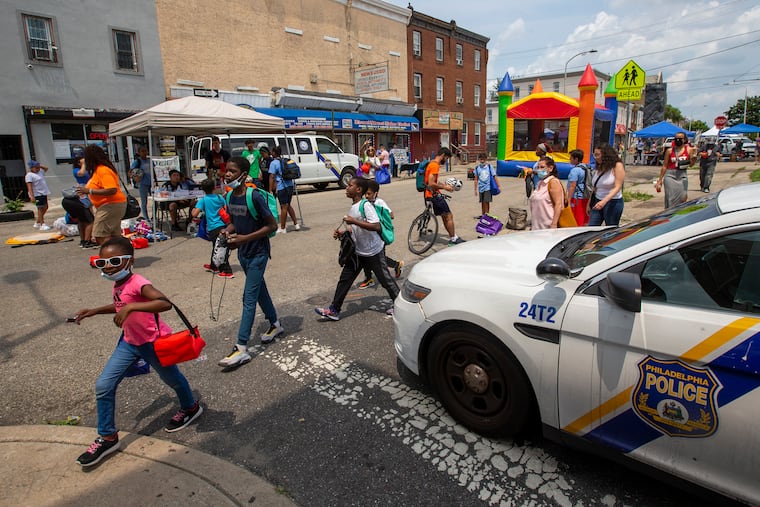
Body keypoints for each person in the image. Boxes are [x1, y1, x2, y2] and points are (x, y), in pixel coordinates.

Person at [72, 236, 202, 467]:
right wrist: (94, 311)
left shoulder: (138, 281)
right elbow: (122, 304)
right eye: (102, 263)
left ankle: (191, 407)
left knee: (172, 379)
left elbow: (164, 303)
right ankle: (108, 437)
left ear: (129, 260)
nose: (109, 266)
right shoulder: (119, 284)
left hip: (153, 342)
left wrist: (132, 306)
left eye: (114, 261)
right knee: (104, 385)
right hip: (129, 342)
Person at [217, 157, 284, 367]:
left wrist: (244, 239)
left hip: (258, 253)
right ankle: (275, 324)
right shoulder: (229, 197)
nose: (227, 175)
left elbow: (272, 225)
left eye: (232, 171)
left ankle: (241, 347)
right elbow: (236, 223)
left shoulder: (253, 196)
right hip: (243, 254)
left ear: (244, 175)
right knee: (259, 289)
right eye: (226, 171)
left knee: (248, 297)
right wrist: (226, 232)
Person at [315, 177, 400, 321]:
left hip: (373, 251)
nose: (347, 188)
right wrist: (344, 232)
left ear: (358, 190)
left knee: (385, 280)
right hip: (358, 252)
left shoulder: (365, 205)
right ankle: (334, 310)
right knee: (345, 280)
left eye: (350, 185)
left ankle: (401, 307)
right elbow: (355, 228)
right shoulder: (354, 206)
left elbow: (376, 226)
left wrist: (353, 221)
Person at [356, 180, 404, 289]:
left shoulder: (379, 202)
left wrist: (378, 214)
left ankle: (395, 267)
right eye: (365, 194)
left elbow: (391, 215)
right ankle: (369, 278)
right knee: (368, 257)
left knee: (378, 258)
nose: (366, 196)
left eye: (369, 193)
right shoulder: (365, 203)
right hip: (369, 235)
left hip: (379, 235)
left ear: (376, 193)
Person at [76, 145, 127, 245]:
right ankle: (120, 255)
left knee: (100, 234)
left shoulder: (103, 170)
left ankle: (111, 256)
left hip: (110, 205)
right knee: (114, 234)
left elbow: (112, 189)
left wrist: (89, 191)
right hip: (110, 205)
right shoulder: (99, 170)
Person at [192, 178, 233, 277]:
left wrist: (194, 207)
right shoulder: (219, 197)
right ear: (214, 187)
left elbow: (194, 214)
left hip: (213, 227)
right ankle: (213, 266)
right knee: (217, 246)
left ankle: (227, 270)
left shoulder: (204, 200)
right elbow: (226, 208)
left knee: (220, 249)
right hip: (223, 225)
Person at [425, 147, 464, 245]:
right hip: (433, 194)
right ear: (443, 156)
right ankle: (454, 239)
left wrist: (442, 185)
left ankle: (452, 237)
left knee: (444, 216)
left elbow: (432, 182)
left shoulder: (431, 163)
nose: (446, 161)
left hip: (430, 194)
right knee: (449, 215)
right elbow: (431, 183)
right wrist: (445, 188)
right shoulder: (435, 165)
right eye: (446, 159)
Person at [62, 156, 96, 248]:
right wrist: (83, 164)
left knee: (86, 217)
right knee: (89, 220)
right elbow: (81, 173)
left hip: (88, 192)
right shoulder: (76, 170)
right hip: (82, 195)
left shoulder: (88, 170)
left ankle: (86, 239)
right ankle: (86, 240)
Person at [655, 133, 695, 208]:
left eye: (680, 138)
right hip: (670, 175)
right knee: (670, 197)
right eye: (676, 138)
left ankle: (679, 211)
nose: (678, 140)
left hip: (682, 175)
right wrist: (660, 179)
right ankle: (669, 212)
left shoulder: (689, 150)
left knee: (683, 196)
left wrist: (694, 158)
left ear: (685, 140)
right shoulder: (669, 151)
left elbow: (691, 165)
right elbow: (664, 166)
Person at [589, 144, 625, 226]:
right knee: (592, 227)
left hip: (613, 202)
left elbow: (617, 187)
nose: (595, 157)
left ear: (605, 155)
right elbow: (595, 187)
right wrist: (589, 203)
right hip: (597, 201)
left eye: (597, 155)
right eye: (594, 155)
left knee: (610, 229)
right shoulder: (600, 166)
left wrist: (604, 201)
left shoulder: (617, 166)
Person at [268, 145, 299, 234]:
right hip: (290, 185)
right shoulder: (286, 160)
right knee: (288, 205)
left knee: (283, 207)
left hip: (282, 186)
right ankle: (296, 224)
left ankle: (283, 227)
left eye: (272, 152)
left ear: (274, 153)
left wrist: (270, 189)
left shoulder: (274, 163)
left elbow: (272, 176)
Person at [529, 157, 564, 230]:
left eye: (542, 167)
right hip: (537, 226)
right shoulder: (540, 183)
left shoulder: (553, 182)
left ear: (550, 168)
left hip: (547, 226)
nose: (539, 170)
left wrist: (554, 224)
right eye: (538, 167)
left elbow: (558, 204)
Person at [25, 160, 51, 230]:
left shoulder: (40, 172)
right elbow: (29, 187)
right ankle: (42, 224)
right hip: (37, 194)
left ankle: (38, 222)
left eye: (38, 167)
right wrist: (31, 196)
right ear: (31, 168)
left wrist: (39, 165)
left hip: (43, 192)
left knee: (45, 207)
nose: (38, 169)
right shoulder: (29, 175)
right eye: (36, 168)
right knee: (40, 208)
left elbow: (46, 168)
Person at [566, 149, 590, 226]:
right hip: (585, 196)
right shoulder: (586, 167)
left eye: (571, 158)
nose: (570, 160)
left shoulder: (575, 170)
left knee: (576, 219)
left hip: (576, 198)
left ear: (576, 159)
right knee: (584, 218)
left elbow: (572, 186)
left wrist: (568, 200)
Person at [129, 146, 152, 221]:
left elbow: (153, 170)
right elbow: (130, 172)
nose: (144, 153)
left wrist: (156, 181)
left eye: (145, 151)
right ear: (139, 153)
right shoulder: (137, 162)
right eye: (142, 151)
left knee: (155, 200)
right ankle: (146, 218)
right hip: (142, 184)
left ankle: (154, 217)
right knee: (144, 201)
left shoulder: (149, 160)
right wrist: (135, 177)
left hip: (151, 182)